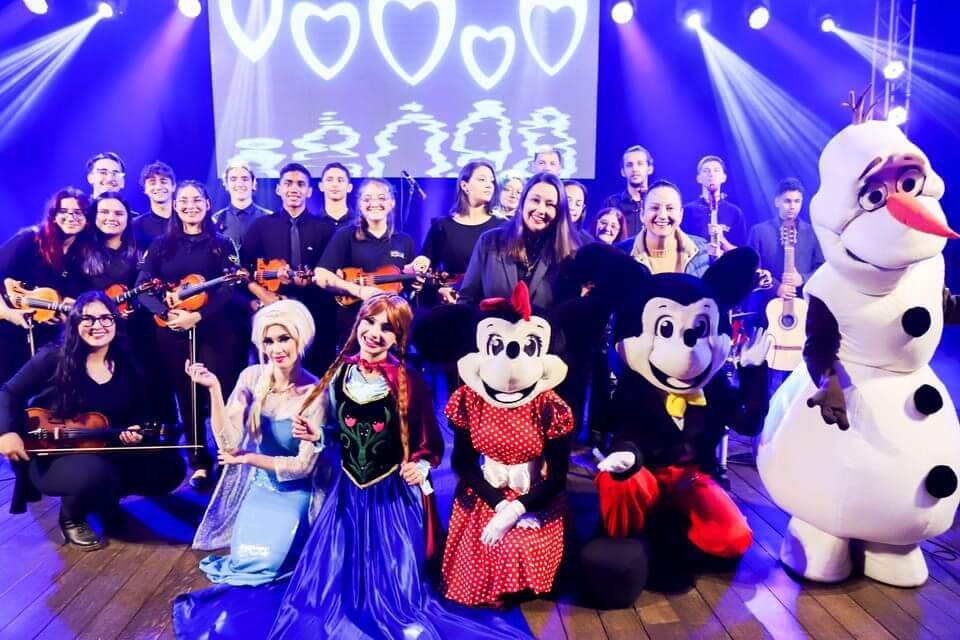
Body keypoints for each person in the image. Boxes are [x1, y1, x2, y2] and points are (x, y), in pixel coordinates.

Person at [268, 294, 523, 639]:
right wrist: (319, 435)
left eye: (387, 328)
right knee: (327, 589)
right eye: (369, 322)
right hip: (347, 496)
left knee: (392, 589)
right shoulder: (341, 372)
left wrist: (421, 465)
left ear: (398, 337)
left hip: (390, 498)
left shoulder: (408, 381)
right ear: (358, 323)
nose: (375, 333)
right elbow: (342, 434)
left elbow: (430, 442)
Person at [0, 291, 186, 549]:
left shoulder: (126, 360)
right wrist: (6, 433)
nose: (97, 325)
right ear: (74, 323)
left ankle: (106, 502)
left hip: (104, 446)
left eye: (105, 318)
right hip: (54, 453)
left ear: (115, 321)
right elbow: (8, 392)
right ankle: (72, 516)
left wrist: (136, 428)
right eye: (87, 319)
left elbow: (141, 407)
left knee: (169, 467)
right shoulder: (53, 357)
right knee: (96, 474)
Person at [137, 180, 241, 489]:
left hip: (217, 330)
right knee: (186, 395)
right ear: (175, 205)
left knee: (221, 391)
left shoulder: (222, 243)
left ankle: (228, 454)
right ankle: (198, 462)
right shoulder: (160, 245)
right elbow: (143, 285)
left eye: (197, 200)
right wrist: (165, 313)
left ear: (208, 205)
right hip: (174, 331)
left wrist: (198, 315)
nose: (190, 205)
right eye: (184, 200)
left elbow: (229, 287)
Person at [240, 163, 336, 373]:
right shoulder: (261, 226)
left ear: (309, 191)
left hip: (316, 313)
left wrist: (313, 281)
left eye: (301, 184)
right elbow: (243, 271)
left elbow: (333, 270)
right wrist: (259, 298)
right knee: (274, 375)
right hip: (273, 312)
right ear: (278, 189)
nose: (294, 189)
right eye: (288, 183)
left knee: (317, 373)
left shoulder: (325, 228)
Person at [317, 178, 425, 345]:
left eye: (382, 198)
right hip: (353, 325)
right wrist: (359, 291)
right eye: (367, 199)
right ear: (360, 204)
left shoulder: (404, 241)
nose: (374, 203)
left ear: (392, 203)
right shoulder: (346, 235)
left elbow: (408, 287)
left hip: (391, 327)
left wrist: (416, 284)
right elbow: (320, 275)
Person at [0, 188, 88, 382]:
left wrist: (66, 312)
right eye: (64, 211)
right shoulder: (29, 239)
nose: (71, 217)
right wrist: (9, 314)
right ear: (53, 216)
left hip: (47, 339)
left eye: (78, 212)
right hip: (9, 331)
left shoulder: (81, 254)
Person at [459, 173, 582, 309]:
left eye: (550, 204)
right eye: (535, 200)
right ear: (523, 202)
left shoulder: (568, 255)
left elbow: (568, 311)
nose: (541, 210)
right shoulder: (489, 241)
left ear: (559, 211)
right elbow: (467, 300)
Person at [421, 161, 503, 305]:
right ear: (464, 185)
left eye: (492, 181)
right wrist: (440, 290)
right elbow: (426, 270)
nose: (489, 185)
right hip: (454, 304)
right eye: (482, 179)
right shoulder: (442, 226)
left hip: (491, 305)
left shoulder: (502, 226)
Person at [747, 178, 824, 303]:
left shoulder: (812, 232)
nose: (792, 206)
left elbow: (822, 268)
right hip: (767, 303)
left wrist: (803, 278)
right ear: (777, 202)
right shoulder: (759, 231)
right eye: (787, 201)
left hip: (804, 302)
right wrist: (775, 287)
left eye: (797, 201)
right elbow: (751, 269)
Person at [620, 180, 710, 277]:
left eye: (670, 208)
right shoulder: (621, 254)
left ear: (680, 215)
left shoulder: (702, 250)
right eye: (654, 208)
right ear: (642, 214)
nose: (662, 215)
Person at [681, 155, 747, 257]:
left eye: (716, 170)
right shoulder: (687, 211)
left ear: (724, 177)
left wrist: (723, 241)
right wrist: (703, 249)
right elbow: (679, 247)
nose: (711, 174)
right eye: (706, 171)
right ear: (698, 178)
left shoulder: (734, 212)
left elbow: (742, 255)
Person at [212, 160, 271, 252]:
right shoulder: (216, 219)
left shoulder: (269, 217)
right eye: (233, 179)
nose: (239, 184)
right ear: (226, 185)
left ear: (253, 183)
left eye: (245, 179)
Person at [601, 145, 654, 236]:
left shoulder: (657, 202)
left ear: (649, 169)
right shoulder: (612, 203)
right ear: (623, 172)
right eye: (629, 165)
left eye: (640, 164)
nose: (635, 169)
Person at [132, 161, 176, 250]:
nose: (158, 187)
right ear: (145, 189)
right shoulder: (135, 225)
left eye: (163, 182)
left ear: (173, 186)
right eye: (152, 183)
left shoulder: (185, 220)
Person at [316, 161, 356, 231]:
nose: (335, 184)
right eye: (329, 180)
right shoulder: (313, 222)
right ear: (321, 186)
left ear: (349, 187)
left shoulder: (359, 222)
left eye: (340, 180)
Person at [564, 180, 594, 244]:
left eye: (578, 204)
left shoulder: (587, 241)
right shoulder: (543, 231)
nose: (572, 207)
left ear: (582, 208)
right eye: (568, 201)